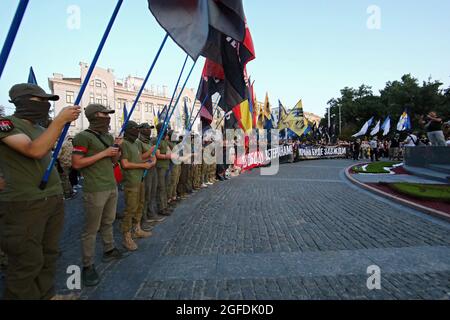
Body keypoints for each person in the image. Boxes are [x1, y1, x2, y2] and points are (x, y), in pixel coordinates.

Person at [0, 83, 80, 299]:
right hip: (25, 203)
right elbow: (33, 150)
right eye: (41, 100)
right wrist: (60, 121)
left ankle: (46, 295)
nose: (46, 105)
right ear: (23, 101)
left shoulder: (41, 128)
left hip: (52, 198)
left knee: (49, 254)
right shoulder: (6, 124)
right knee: (26, 262)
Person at [72, 104, 124, 287]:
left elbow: (113, 160)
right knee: (91, 229)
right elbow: (77, 163)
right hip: (94, 188)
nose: (107, 117)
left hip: (111, 185)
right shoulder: (82, 136)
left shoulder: (108, 137)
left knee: (108, 222)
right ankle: (87, 265)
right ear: (94, 116)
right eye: (104, 114)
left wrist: (116, 149)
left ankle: (109, 249)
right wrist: (105, 152)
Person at [120, 121, 154, 251]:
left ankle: (137, 228)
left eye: (138, 128)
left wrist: (148, 160)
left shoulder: (135, 143)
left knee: (140, 204)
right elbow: (125, 164)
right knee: (130, 209)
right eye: (135, 128)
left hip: (140, 178)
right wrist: (143, 165)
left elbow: (138, 158)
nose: (137, 131)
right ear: (129, 130)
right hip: (131, 180)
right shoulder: (124, 144)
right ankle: (126, 236)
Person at [135, 123, 165, 225]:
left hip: (153, 169)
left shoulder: (148, 142)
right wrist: (150, 152)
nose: (149, 130)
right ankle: (143, 217)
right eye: (147, 128)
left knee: (152, 192)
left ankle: (151, 213)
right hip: (145, 171)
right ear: (141, 130)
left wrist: (153, 159)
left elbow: (153, 156)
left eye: (150, 128)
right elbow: (138, 158)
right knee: (146, 194)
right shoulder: (138, 142)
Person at [155, 123, 174, 216]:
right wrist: (168, 155)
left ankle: (165, 205)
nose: (166, 130)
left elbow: (169, 150)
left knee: (166, 186)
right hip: (160, 167)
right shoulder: (156, 140)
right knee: (161, 188)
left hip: (166, 166)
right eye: (165, 129)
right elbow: (157, 155)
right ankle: (161, 208)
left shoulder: (165, 141)